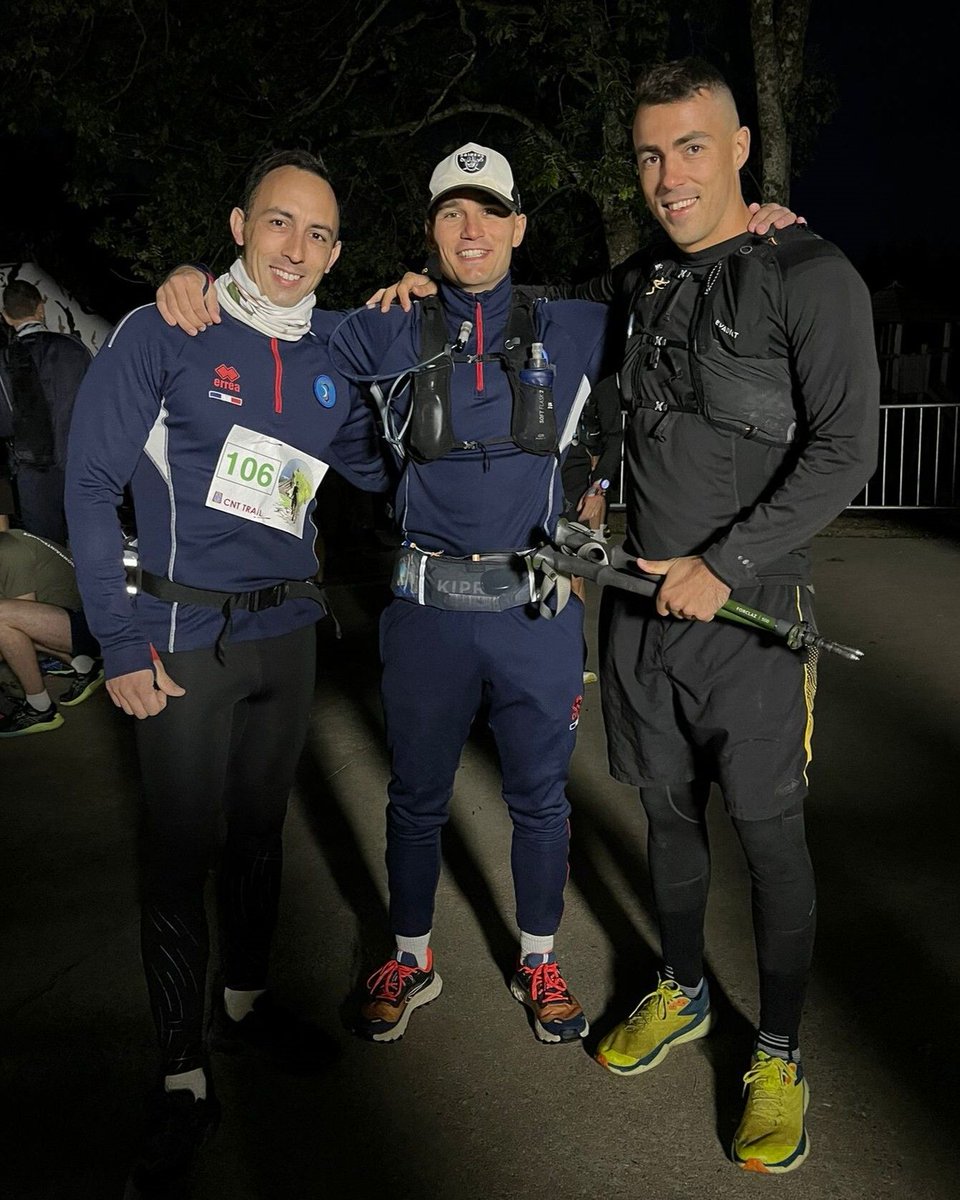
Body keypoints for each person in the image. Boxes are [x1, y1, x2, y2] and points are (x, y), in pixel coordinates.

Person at [370, 62, 877, 1175]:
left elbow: (849, 448)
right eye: (650, 154)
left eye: (692, 147)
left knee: (769, 836)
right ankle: (682, 989)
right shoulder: (640, 282)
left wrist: (725, 564)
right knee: (668, 817)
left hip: (751, 612)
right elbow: (547, 327)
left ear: (740, 148)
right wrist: (430, 289)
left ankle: (779, 1053)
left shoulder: (812, 273)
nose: (669, 175)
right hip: (640, 613)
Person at [158, 142, 612, 1047]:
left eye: (489, 211)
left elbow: (677, 289)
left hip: (532, 614)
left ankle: (538, 957)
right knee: (415, 797)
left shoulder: (576, 325)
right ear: (430, 233)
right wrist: (195, 279)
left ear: (519, 227)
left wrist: (764, 224)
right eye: (451, 212)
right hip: (426, 615)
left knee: (540, 800)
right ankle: (410, 956)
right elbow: (274, 308)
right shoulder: (385, 329)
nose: (471, 229)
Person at [65, 149, 387, 1191]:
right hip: (180, 638)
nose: (297, 248)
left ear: (335, 252)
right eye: (280, 222)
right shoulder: (169, 327)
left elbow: (378, 464)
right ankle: (179, 1075)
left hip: (286, 634)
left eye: (319, 233)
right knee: (176, 854)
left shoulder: (333, 350)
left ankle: (244, 1009)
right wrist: (119, 641)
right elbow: (89, 483)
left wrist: (415, 325)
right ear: (241, 224)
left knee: (258, 834)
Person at [0, 280, 91, 544]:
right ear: (41, 308)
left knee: (47, 550)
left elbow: (4, 424)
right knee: (88, 539)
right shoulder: (74, 348)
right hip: (81, 463)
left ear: (6, 316)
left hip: (33, 472)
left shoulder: (4, 360)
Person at [0, 529, 104, 737]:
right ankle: (86, 666)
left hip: (97, 627)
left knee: (4, 619)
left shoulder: (9, 551)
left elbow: (21, 623)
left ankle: (40, 709)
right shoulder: (8, 541)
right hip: (72, 620)